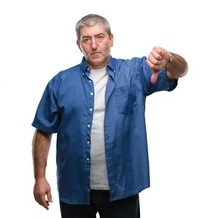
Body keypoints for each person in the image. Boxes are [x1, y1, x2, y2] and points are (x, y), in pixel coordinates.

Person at [31, 13, 188, 218]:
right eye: (86, 39)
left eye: (100, 37)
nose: (94, 45)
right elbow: (43, 131)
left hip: (122, 186)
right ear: (79, 44)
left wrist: (168, 58)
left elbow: (180, 71)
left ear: (111, 39)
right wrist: (39, 178)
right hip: (75, 187)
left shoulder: (135, 72)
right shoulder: (60, 82)